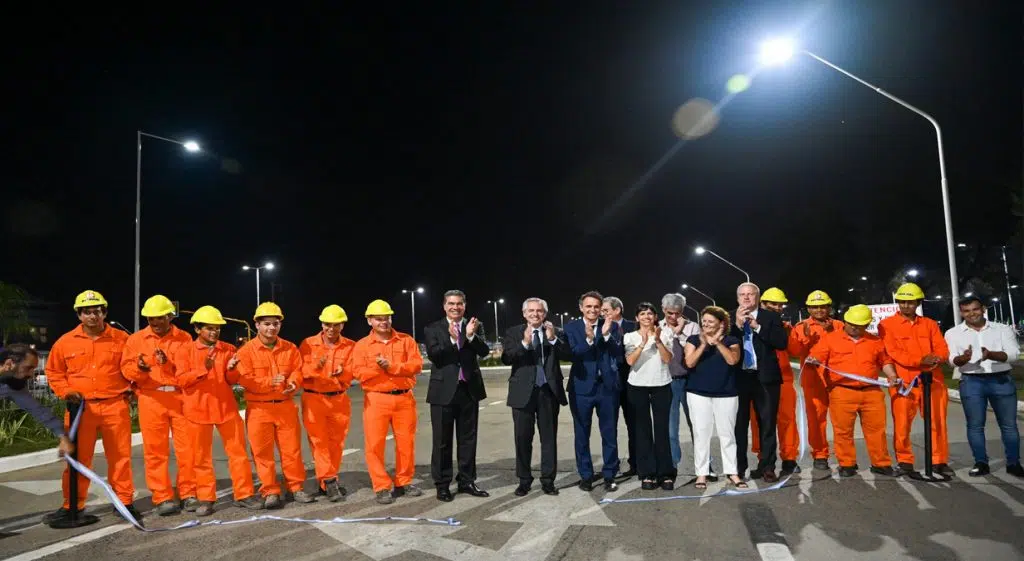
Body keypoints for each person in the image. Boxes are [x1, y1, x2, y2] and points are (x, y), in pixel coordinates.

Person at [43, 290, 140, 524]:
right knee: (78, 459)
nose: (92, 316)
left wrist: (133, 389)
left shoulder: (122, 339)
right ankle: (72, 506)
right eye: (87, 312)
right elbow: (54, 372)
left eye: (97, 311)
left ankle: (124, 503)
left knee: (120, 458)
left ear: (104, 313)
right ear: (79, 315)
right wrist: (66, 391)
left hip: (115, 406)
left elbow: (133, 369)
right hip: (80, 410)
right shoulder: (65, 342)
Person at [173, 305, 263, 515]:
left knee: (238, 454)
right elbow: (181, 381)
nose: (214, 332)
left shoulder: (228, 349)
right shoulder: (185, 351)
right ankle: (206, 498)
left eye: (217, 328)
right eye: (209, 328)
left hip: (226, 409)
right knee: (201, 458)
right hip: (197, 412)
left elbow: (232, 380)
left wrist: (231, 370)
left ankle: (244, 494)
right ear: (197, 329)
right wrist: (202, 369)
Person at [121, 294, 197, 516]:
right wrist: (141, 368)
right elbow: (126, 370)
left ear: (170, 317)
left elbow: (190, 368)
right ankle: (162, 497)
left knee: (188, 449)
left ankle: (189, 493)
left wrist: (170, 364)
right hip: (151, 398)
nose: (154, 322)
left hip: (179, 397)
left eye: (159, 318)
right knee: (155, 452)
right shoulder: (136, 340)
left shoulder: (184, 338)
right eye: (150, 318)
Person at [235, 302, 315, 509]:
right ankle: (270, 491)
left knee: (292, 450)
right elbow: (245, 380)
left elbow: (297, 371)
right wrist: (269, 382)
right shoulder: (246, 351)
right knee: (262, 453)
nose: (272, 327)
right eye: (267, 323)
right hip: (259, 408)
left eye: (276, 323)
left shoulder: (290, 348)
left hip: (285, 406)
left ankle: (295, 487)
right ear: (257, 325)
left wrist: (293, 383)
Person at [805, 305, 899, 478]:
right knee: (843, 431)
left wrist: (892, 375)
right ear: (845, 321)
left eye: (859, 325)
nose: (854, 327)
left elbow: (884, 361)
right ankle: (847, 464)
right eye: (851, 323)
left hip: (871, 392)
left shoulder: (875, 341)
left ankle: (881, 463)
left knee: (876, 430)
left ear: (867, 325)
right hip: (842, 391)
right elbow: (816, 355)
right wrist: (813, 359)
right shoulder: (830, 339)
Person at [348, 299, 425, 504]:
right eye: (378, 319)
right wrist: (377, 368)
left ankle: (404, 481)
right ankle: (381, 486)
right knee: (374, 444)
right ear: (369, 321)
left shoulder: (406, 340)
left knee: (406, 443)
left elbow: (416, 365)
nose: (383, 322)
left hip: (404, 398)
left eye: (387, 318)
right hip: (376, 399)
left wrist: (392, 367)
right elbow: (357, 372)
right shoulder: (362, 345)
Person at [944, 296, 1024, 477]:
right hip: (971, 381)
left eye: (975, 309)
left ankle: (1013, 463)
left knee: (1009, 425)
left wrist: (990, 355)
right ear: (961, 313)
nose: (971, 314)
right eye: (966, 311)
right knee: (975, 425)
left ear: (983, 309)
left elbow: (1013, 354)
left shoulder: (1002, 329)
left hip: (1001, 380)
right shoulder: (952, 333)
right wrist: (963, 359)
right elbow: (951, 360)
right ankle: (981, 462)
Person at [878, 282, 952, 477]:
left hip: (933, 381)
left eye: (910, 302)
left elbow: (942, 348)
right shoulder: (886, 325)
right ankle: (905, 461)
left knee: (937, 422)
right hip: (904, 383)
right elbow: (893, 352)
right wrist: (920, 360)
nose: (906, 305)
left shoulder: (930, 324)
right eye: (902, 302)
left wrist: (938, 359)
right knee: (902, 424)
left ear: (918, 303)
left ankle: (939, 461)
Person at [424, 290, 491, 502]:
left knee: (468, 440)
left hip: (469, 390)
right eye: (451, 304)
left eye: (459, 303)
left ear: (465, 305)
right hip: (443, 392)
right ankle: (442, 484)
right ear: (444, 306)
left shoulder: (474, 325)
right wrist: (454, 340)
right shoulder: (433, 328)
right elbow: (435, 356)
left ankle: (467, 481)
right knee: (442, 441)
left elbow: (484, 351)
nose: (455, 307)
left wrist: (469, 336)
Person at [502, 297, 569, 496]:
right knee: (522, 438)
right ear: (524, 314)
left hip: (548, 392)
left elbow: (569, 354)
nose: (535, 314)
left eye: (539, 311)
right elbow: (507, 358)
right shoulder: (514, 332)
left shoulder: (555, 331)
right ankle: (524, 480)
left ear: (545, 314)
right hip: (523, 393)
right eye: (531, 311)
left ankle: (548, 480)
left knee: (548, 439)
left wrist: (552, 339)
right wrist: (524, 342)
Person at [564, 290, 624, 491]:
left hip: (607, 387)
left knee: (609, 433)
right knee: (582, 433)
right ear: (581, 307)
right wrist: (589, 339)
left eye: (596, 307)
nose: (592, 310)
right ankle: (586, 475)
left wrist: (605, 335)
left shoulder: (612, 326)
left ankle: (610, 474)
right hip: (581, 388)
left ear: (601, 309)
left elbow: (619, 353)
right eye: (588, 306)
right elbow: (572, 354)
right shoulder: (571, 327)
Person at [683, 306, 746, 489]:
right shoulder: (693, 340)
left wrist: (718, 342)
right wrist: (703, 344)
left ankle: (732, 472)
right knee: (701, 434)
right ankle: (701, 474)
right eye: (704, 321)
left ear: (721, 323)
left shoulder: (732, 340)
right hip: (698, 393)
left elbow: (732, 360)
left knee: (727, 434)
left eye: (711, 321)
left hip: (727, 393)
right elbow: (689, 362)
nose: (706, 324)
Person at [731, 282, 788, 482]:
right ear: (737, 298)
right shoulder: (729, 317)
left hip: (765, 378)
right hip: (739, 379)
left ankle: (767, 466)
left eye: (750, 294)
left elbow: (781, 343)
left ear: (758, 297)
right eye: (742, 294)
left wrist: (758, 327)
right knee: (738, 425)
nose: (746, 297)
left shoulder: (771, 317)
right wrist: (738, 326)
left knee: (767, 423)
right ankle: (738, 468)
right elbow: (724, 343)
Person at [299, 305, 356, 502]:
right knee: (318, 441)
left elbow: (354, 371)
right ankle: (330, 481)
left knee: (336, 443)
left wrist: (343, 373)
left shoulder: (350, 346)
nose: (331, 329)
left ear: (342, 325)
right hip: (314, 398)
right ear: (322, 324)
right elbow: (301, 372)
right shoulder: (308, 344)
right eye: (327, 324)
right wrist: (316, 367)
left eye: (336, 325)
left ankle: (326, 482)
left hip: (339, 399)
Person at [788, 290, 843, 471]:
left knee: (841, 421)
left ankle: (845, 458)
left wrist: (830, 332)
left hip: (837, 379)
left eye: (822, 306)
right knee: (816, 420)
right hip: (813, 379)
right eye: (814, 307)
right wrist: (805, 337)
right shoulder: (801, 326)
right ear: (809, 309)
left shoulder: (839, 325)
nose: (819, 310)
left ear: (829, 307)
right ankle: (820, 454)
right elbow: (794, 352)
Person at [623, 302, 676, 490]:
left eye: (650, 314)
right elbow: (630, 361)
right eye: (642, 314)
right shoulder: (630, 336)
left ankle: (666, 473)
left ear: (655, 317)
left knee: (662, 429)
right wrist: (643, 343)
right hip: (637, 386)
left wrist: (658, 340)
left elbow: (667, 359)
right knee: (642, 430)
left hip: (662, 384)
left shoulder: (665, 333)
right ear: (637, 318)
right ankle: (647, 473)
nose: (646, 317)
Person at [754, 287, 801, 475]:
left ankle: (789, 458)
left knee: (787, 420)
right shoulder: (752, 325)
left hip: (784, 380)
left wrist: (792, 333)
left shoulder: (786, 328)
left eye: (780, 305)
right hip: (760, 380)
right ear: (762, 304)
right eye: (773, 304)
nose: (777, 308)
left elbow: (795, 351)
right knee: (760, 422)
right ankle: (763, 459)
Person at [0, 344, 74, 457]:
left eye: (33, 369)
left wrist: (63, 437)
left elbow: (39, 411)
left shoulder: (13, 385)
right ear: (9, 364)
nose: (31, 375)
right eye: (28, 368)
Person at [660, 293, 705, 474]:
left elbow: (694, 352)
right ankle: (672, 465)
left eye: (677, 313)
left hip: (690, 381)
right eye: (669, 313)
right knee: (671, 428)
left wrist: (680, 333)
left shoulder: (693, 327)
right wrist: (673, 332)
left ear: (683, 310)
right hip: (667, 381)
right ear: (663, 310)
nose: (673, 317)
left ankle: (705, 465)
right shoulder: (658, 327)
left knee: (697, 425)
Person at [601, 296, 638, 477]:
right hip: (609, 384)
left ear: (617, 310)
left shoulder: (634, 326)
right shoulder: (600, 327)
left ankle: (636, 464)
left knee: (634, 425)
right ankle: (612, 465)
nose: (602, 314)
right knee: (610, 427)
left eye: (606, 310)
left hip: (632, 381)